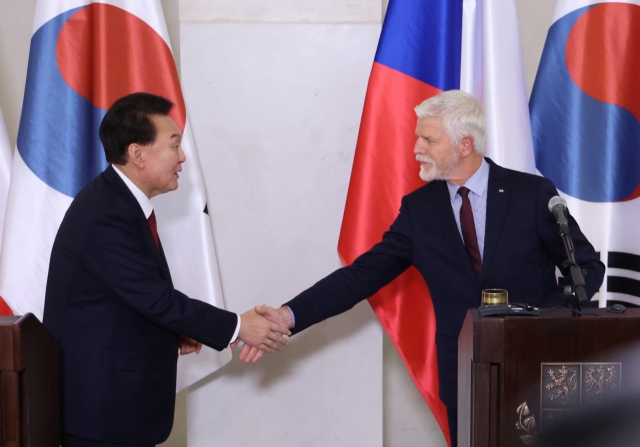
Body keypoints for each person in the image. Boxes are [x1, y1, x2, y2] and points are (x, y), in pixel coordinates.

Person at [241, 90, 605, 447]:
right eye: (418, 138)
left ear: (465, 144)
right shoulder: (419, 210)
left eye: (428, 139)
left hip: (540, 369)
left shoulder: (532, 194)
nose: (416, 148)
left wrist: (551, 321)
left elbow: (585, 266)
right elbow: (360, 276)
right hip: (466, 376)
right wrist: (288, 315)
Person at [42, 92, 289, 447]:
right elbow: (156, 300)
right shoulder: (106, 214)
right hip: (102, 416)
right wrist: (237, 326)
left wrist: (175, 332)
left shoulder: (118, 203)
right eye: (174, 145)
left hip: (116, 410)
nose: (183, 157)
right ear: (137, 153)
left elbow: (126, 300)